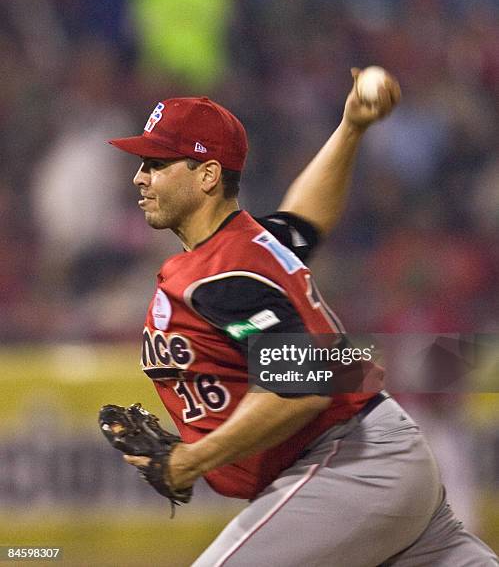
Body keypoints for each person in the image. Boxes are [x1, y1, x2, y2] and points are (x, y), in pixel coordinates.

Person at [108, 70, 498, 566]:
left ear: (207, 174)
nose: (140, 177)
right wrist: (351, 127)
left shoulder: (222, 275)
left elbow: (309, 380)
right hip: (377, 455)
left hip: (349, 465)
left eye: (157, 163)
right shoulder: (250, 246)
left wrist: (191, 460)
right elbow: (304, 219)